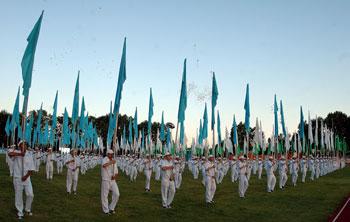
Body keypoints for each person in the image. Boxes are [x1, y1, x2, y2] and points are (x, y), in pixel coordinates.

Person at [8, 141, 35, 219]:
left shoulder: (29, 155)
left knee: (30, 194)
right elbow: (9, 154)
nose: (23, 146)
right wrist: (20, 154)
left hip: (26, 178)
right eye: (21, 145)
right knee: (18, 196)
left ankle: (27, 208)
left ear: (26, 146)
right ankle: (20, 212)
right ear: (19, 146)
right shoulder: (16, 152)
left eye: (25, 145)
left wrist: (26, 177)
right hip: (17, 178)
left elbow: (31, 169)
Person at [101, 149, 120, 215]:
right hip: (106, 179)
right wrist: (111, 162)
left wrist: (115, 176)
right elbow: (104, 165)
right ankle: (106, 210)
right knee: (104, 195)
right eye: (110, 154)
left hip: (112, 180)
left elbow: (116, 171)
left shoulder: (114, 161)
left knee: (117, 194)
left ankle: (111, 207)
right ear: (107, 154)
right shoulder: (104, 159)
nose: (111, 155)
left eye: (112, 154)